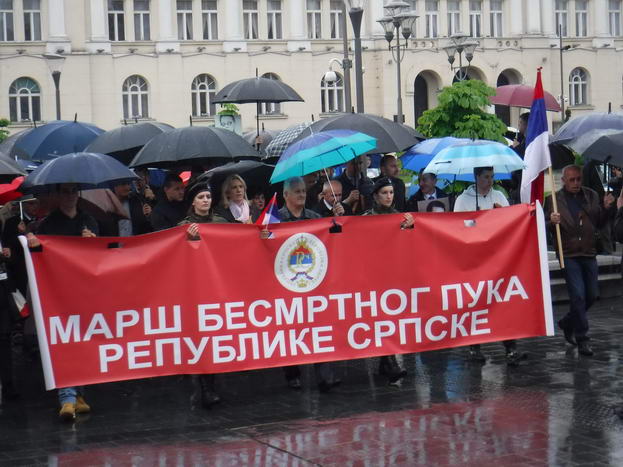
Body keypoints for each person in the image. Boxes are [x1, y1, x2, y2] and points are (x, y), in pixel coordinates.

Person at [26, 183, 98, 421]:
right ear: (59, 195)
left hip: (83, 290)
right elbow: (40, 256)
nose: (70, 196)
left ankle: (78, 394)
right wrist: (34, 244)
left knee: (82, 342)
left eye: (73, 191)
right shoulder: (49, 223)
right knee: (63, 340)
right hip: (57, 291)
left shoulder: (89, 220)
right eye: (66, 192)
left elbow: (99, 255)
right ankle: (67, 396)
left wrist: (92, 242)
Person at [274, 177, 338, 392]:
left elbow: (330, 240)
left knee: (318, 325)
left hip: (313, 282)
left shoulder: (315, 217)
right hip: (285, 282)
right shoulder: (275, 219)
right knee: (290, 328)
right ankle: (292, 373)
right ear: (286, 195)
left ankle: (325, 376)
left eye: (303, 191)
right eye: (297, 191)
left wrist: (337, 220)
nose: (302, 194)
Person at [545, 165, 615, 357]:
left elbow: (599, 222)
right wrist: (551, 221)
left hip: (588, 252)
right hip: (568, 254)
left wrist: (607, 208)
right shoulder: (554, 200)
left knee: (591, 295)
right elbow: (542, 226)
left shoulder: (591, 195)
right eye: (572, 180)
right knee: (578, 296)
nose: (576, 183)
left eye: (578, 179)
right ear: (564, 181)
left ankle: (568, 322)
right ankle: (582, 338)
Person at [454, 167, 521, 365]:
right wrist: (477, 221)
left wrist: (500, 215)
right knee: (476, 302)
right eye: (485, 177)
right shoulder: (463, 200)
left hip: (497, 257)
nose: (490, 181)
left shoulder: (499, 196)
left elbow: (509, 222)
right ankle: (474, 346)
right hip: (473, 259)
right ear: (476, 177)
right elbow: (457, 226)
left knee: (502, 301)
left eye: (492, 177)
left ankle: (510, 347)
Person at [178, 181, 226, 407]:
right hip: (193, 289)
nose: (205, 200)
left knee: (213, 337)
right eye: (201, 197)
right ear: (193, 202)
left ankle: (209, 385)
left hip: (216, 286)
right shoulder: (184, 226)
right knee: (199, 337)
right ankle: (200, 384)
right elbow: (177, 256)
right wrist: (189, 240)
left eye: (208, 196)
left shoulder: (221, 223)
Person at [363, 177, 414, 385]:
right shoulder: (366, 219)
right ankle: (390, 363)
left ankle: (387, 362)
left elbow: (409, 244)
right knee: (381, 318)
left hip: (394, 276)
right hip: (374, 276)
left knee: (390, 318)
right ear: (375, 196)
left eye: (391, 192)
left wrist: (410, 227)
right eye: (384, 193)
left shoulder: (399, 217)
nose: (389, 196)